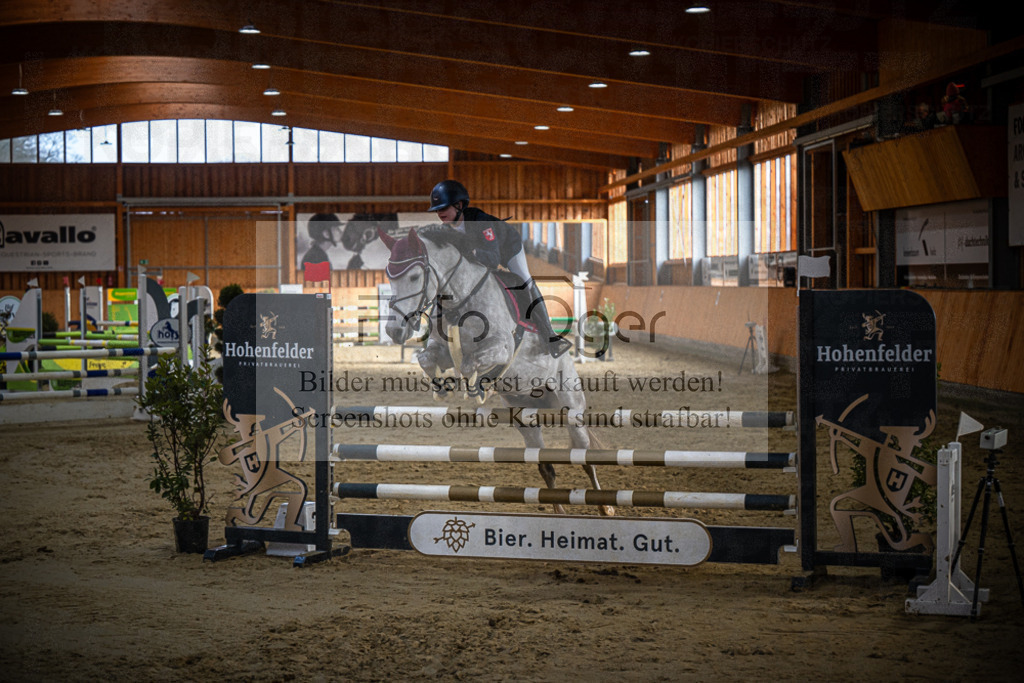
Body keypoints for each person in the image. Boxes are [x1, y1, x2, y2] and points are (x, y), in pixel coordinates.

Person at [427, 179, 572, 358]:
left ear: (459, 205)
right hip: (483, 255)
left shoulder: (482, 222)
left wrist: (470, 251)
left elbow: (493, 259)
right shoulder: (447, 228)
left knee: (525, 280)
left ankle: (550, 336)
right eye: (437, 210)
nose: (440, 213)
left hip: (507, 248)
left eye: (443, 208)